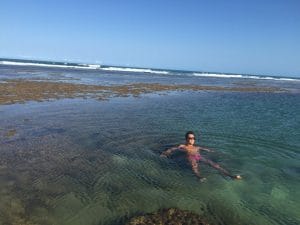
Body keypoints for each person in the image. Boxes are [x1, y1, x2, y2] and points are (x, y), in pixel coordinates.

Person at [160, 131, 242, 181]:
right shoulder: (183, 146)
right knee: (194, 166)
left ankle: (230, 175)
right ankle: (199, 177)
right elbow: (172, 148)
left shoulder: (197, 147)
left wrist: (210, 150)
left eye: (193, 138)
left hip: (199, 157)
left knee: (214, 164)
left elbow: (204, 148)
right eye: (190, 138)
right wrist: (165, 153)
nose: (192, 139)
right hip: (191, 157)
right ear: (186, 139)